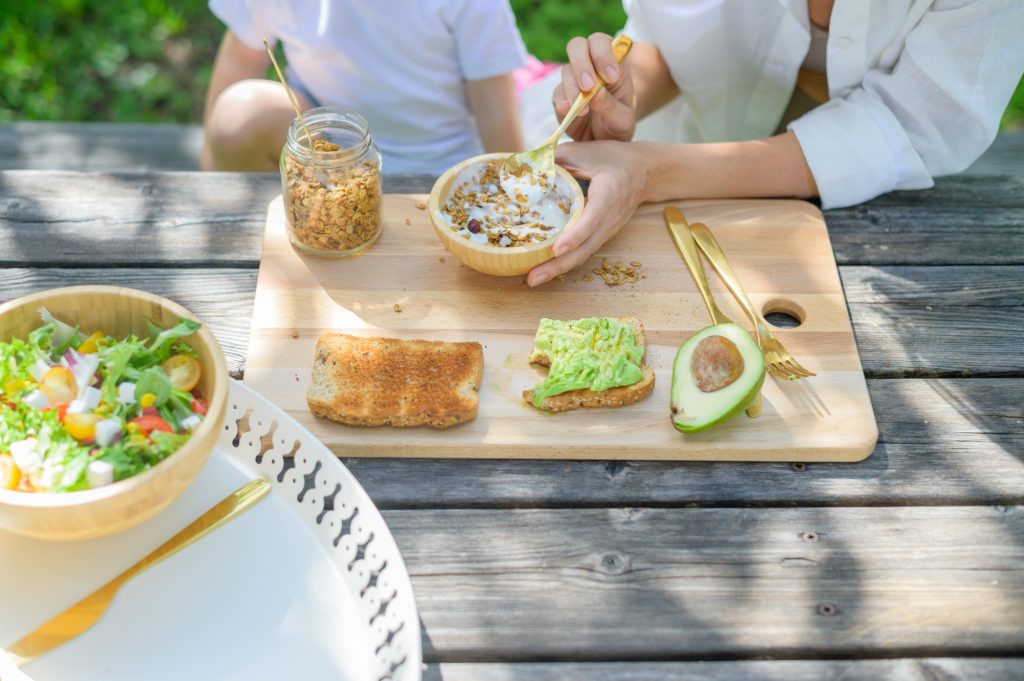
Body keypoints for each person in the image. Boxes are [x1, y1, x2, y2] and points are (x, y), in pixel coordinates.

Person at [525, 0, 1024, 287]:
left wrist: (651, 171)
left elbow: (912, 121)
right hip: (699, 133)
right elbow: (675, 38)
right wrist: (623, 91)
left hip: (887, 224)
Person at [201, 0, 528, 174]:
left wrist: (516, 186)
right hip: (327, 159)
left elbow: (494, 110)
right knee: (239, 113)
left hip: (440, 169)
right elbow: (241, 59)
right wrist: (211, 169)